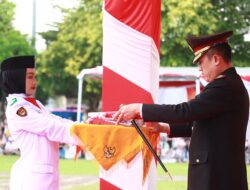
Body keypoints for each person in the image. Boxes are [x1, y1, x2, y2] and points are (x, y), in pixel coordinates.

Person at [113, 31, 249, 190]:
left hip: (218, 177)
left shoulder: (224, 87)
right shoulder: (228, 85)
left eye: (201, 62)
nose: (200, 69)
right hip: (217, 175)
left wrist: (140, 109)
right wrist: (164, 127)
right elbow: (199, 124)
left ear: (216, 59)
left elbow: (185, 111)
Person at [0, 56, 79, 190]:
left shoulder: (34, 104)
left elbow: (57, 121)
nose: (35, 81)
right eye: (30, 76)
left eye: (35, 77)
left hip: (43, 178)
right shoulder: (18, 108)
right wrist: (87, 133)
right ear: (17, 78)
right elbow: (52, 127)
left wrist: (83, 125)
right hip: (33, 181)